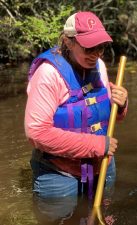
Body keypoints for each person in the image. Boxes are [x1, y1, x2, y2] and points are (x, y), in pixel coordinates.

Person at [24, 11, 128, 221]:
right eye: (89, 47)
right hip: (59, 171)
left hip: (101, 165)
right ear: (68, 42)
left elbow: (103, 117)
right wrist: (95, 145)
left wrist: (122, 103)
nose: (96, 54)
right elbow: (36, 133)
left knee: (103, 217)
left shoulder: (98, 65)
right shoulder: (48, 74)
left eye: (101, 47)